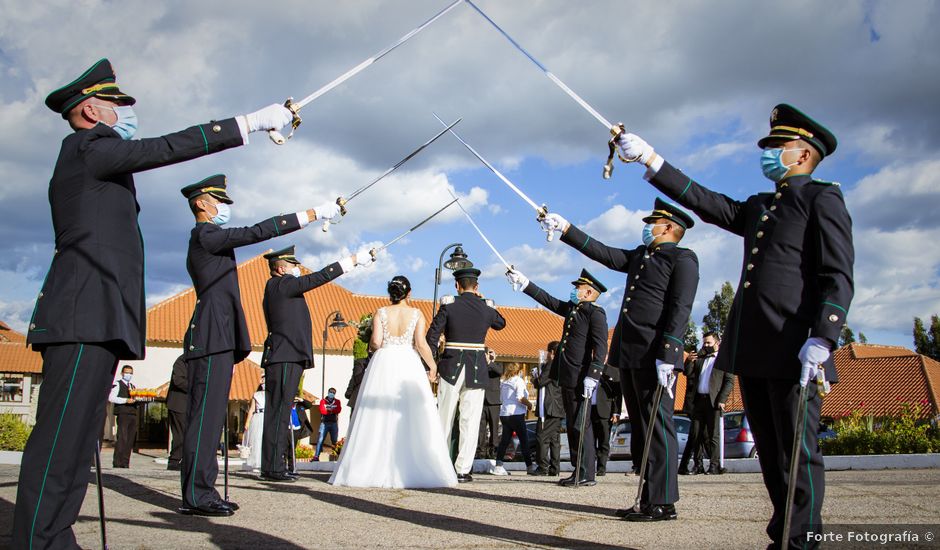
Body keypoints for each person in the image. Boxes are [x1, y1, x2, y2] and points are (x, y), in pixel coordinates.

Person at [14, 57, 294, 548]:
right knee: (61, 442)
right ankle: (36, 540)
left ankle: (54, 536)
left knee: (78, 446)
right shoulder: (87, 148)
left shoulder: (95, 157)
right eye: (116, 104)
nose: (125, 113)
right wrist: (247, 123)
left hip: (97, 316)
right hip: (81, 313)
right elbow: (166, 148)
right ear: (89, 111)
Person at [617, 104, 853, 547]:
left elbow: (838, 273)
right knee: (771, 454)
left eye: (776, 147)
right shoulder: (762, 205)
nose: (767, 154)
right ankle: (783, 535)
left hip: (795, 346)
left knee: (797, 454)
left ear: (802, 154)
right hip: (756, 346)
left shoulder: (821, 198)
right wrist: (652, 161)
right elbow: (709, 204)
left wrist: (824, 335)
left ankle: (802, 540)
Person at [178, 175, 343, 517]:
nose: (224, 208)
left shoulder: (211, 239)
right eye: (218, 202)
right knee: (205, 419)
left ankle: (202, 490)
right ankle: (196, 494)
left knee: (210, 419)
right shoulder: (206, 235)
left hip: (218, 334)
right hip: (211, 333)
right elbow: (256, 231)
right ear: (200, 204)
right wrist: (312, 214)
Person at [541, 199, 699, 519]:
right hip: (629, 352)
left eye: (652, 222)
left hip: (656, 354)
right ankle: (648, 497)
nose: (646, 227)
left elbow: (681, 308)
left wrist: (670, 351)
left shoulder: (682, 259)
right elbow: (605, 253)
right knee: (642, 429)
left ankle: (663, 501)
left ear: (668, 227)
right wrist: (566, 229)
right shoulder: (641, 256)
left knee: (658, 426)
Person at [330, 276, 457, 488]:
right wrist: (433, 366)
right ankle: (412, 467)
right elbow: (421, 344)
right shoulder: (416, 314)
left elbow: (376, 342)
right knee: (412, 412)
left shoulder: (380, 312)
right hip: (408, 361)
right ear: (409, 293)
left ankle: (368, 468)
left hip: (384, 361)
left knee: (377, 413)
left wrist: (373, 346)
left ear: (391, 293)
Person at [261, 245, 369, 480]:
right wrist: (351, 261)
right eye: (293, 265)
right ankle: (273, 467)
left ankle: (273, 464)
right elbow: (319, 277)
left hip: (284, 355)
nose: (297, 269)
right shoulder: (282, 284)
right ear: (280, 268)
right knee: (279, 413)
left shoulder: (278, 287)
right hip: (285, 355)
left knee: (277, 412)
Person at [505, 268, 608, 487]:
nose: (574, 290)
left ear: (589, 293)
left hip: (582, 376)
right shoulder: (574, 310)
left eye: (578, 288)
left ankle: (586, 473)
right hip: (568, 376)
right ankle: (579, 470)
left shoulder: (595, 313)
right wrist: (524, 283)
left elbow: (600, 347)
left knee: (581, 424)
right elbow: (548, 300)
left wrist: (594, 374)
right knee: (572, 425)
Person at [427, 268, 507, 483]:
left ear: (457, 286)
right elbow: (501, 323)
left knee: (444, 417)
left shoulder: (449, 305)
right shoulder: (486, 307)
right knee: (470, 421)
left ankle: (439, 465)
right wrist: (490, 305)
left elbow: (432, 335)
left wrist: (431, 363)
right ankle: (462, 469)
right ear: (477, 287)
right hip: (475, 369)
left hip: (450, 366)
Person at [679, 332, 733, 476]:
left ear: (717, 343)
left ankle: (714, 466)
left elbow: (729, 381)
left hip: (713, 401)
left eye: (709, 343)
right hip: (698, 400)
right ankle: (698, 465)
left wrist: (722, 399)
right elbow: (687, 373)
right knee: (696, 434)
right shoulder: (701, 358)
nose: (706, 345)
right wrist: (689, 361)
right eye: (704, 343)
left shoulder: (724, 359)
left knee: (713, 435)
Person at [492, 363, 534, 475]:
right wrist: (529, 404)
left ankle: (499, 465)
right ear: (518, 371)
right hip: (516, 413)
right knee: (524, 441)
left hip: (505, 413)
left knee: (504, 441)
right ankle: (529, 466)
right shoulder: (518, 381)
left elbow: (501, 398)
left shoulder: (504, 383)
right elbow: (519, 397)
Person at [532, 341, 564, 476]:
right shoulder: (563, 364)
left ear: (551, 353)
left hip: (549, 407)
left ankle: (542, 466)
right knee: (554, 440)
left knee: (542, 437)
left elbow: (540, 382)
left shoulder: (552, 364)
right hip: (557, 407)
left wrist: (535, 375)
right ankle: (554, 468)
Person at [592, 364, 622, 477]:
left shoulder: (612, 371)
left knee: (603, 441)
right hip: (590, 409)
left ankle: (601, 468)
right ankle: (590, 466)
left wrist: (616, 412)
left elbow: (618, 393)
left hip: (605, 410)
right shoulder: (588, 369)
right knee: (590, 441)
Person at [108, 365, 138, 468]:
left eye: (130, 373)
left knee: (130, 439)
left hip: (132, 414)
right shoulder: (117, 384)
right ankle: (117, 462)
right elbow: (111, 398)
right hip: (123, 413)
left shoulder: (133, 386)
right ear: (122, 373)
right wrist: (125, 400)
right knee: (122, 438)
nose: (128, 375)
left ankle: (125, 462)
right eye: (127, 372)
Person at [477, 348, 503, 460]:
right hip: (481, 401)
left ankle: (493, 451)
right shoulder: (479, 366)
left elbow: (499, 372)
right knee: (481, 428)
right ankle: (481, 451)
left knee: (494, 428)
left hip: (494, 402)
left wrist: (490, 361)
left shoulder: (497, 365)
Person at [166, 355, 189, 471]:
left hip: (188, 405)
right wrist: (195, 385)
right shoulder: (182, 361)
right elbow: (178, 381)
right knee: (180, 434)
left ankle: (183, 460)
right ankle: (174, 461)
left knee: (186, 434)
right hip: (178, 404)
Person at [314, 389, 342, 461]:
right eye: (330, 392)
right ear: (328, 392)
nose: (331, 394)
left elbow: (338, 410)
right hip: (324, 423)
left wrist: (329, 410)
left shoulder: (337, 401)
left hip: (334, 423)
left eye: (333, 393)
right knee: (320, 440)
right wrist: (332, 410)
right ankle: (316, 456)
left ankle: (336, 456)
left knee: (334, 441)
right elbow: (322, 411)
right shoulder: (323, 401)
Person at [243, 383, 265, 471]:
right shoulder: (256, 395)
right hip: (258, 416)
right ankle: (256, 463)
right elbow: (252, 409)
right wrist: (247, 423)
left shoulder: (271, 394)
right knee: (256, 440)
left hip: (267, 417)